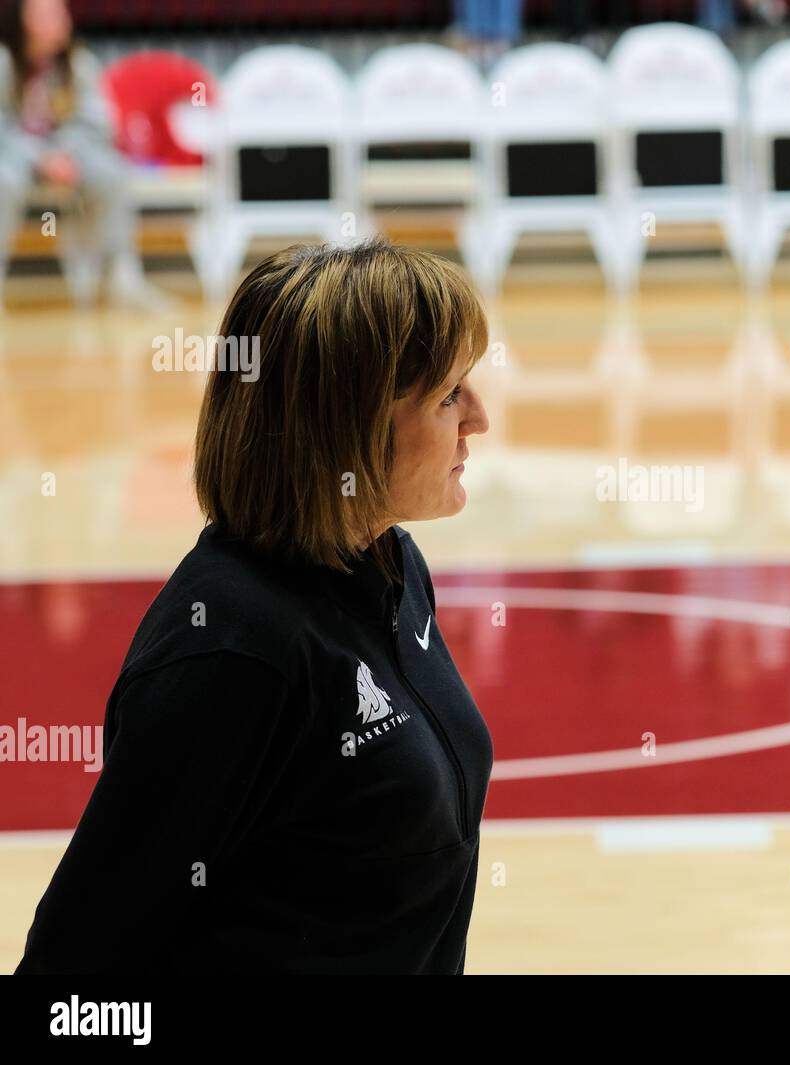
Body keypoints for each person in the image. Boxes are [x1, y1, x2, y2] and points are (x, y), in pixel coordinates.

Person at [14, 238, 495, 974]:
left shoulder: (390, 564)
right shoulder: (229, 655)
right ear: (351, 424)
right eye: (447, 395)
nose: (480, 418)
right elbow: (73, 971)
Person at [0, 0, 163, 307]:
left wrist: (64, 154)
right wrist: (41, 158)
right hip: (16, 159)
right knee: (2, 181)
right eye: (48, 13)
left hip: (71, 158)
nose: (61, 19)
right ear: (23, 21)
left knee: (113, 172)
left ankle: (119, 277)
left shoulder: (80, 65)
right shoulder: (4, 64)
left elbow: (98, 123)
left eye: (61, 12)